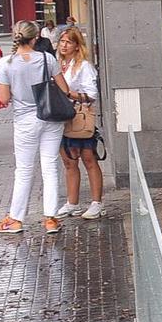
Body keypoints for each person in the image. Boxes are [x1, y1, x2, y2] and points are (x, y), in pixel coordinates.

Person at [0, 21, 75, 235]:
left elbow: (3, 98)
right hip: (51, 117)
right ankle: (50, 218)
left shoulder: (6, 63)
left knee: (24, 170)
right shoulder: (48, 59)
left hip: (25, 121)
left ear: (15, 36)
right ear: (36, 37)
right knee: (50, 166)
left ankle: (16, 219)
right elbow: (64, 89)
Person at [54, 26, 105, 221]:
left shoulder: (84, 66)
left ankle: (96, 202)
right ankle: (72, 202)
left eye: (68, 42)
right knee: (69, 161)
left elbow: (92, 95)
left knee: (89, 159)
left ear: (77, 45)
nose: (64, 45)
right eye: (62, 41)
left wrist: (67, 93)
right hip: (61, 117)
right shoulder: (57, 64)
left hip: (79, 116)